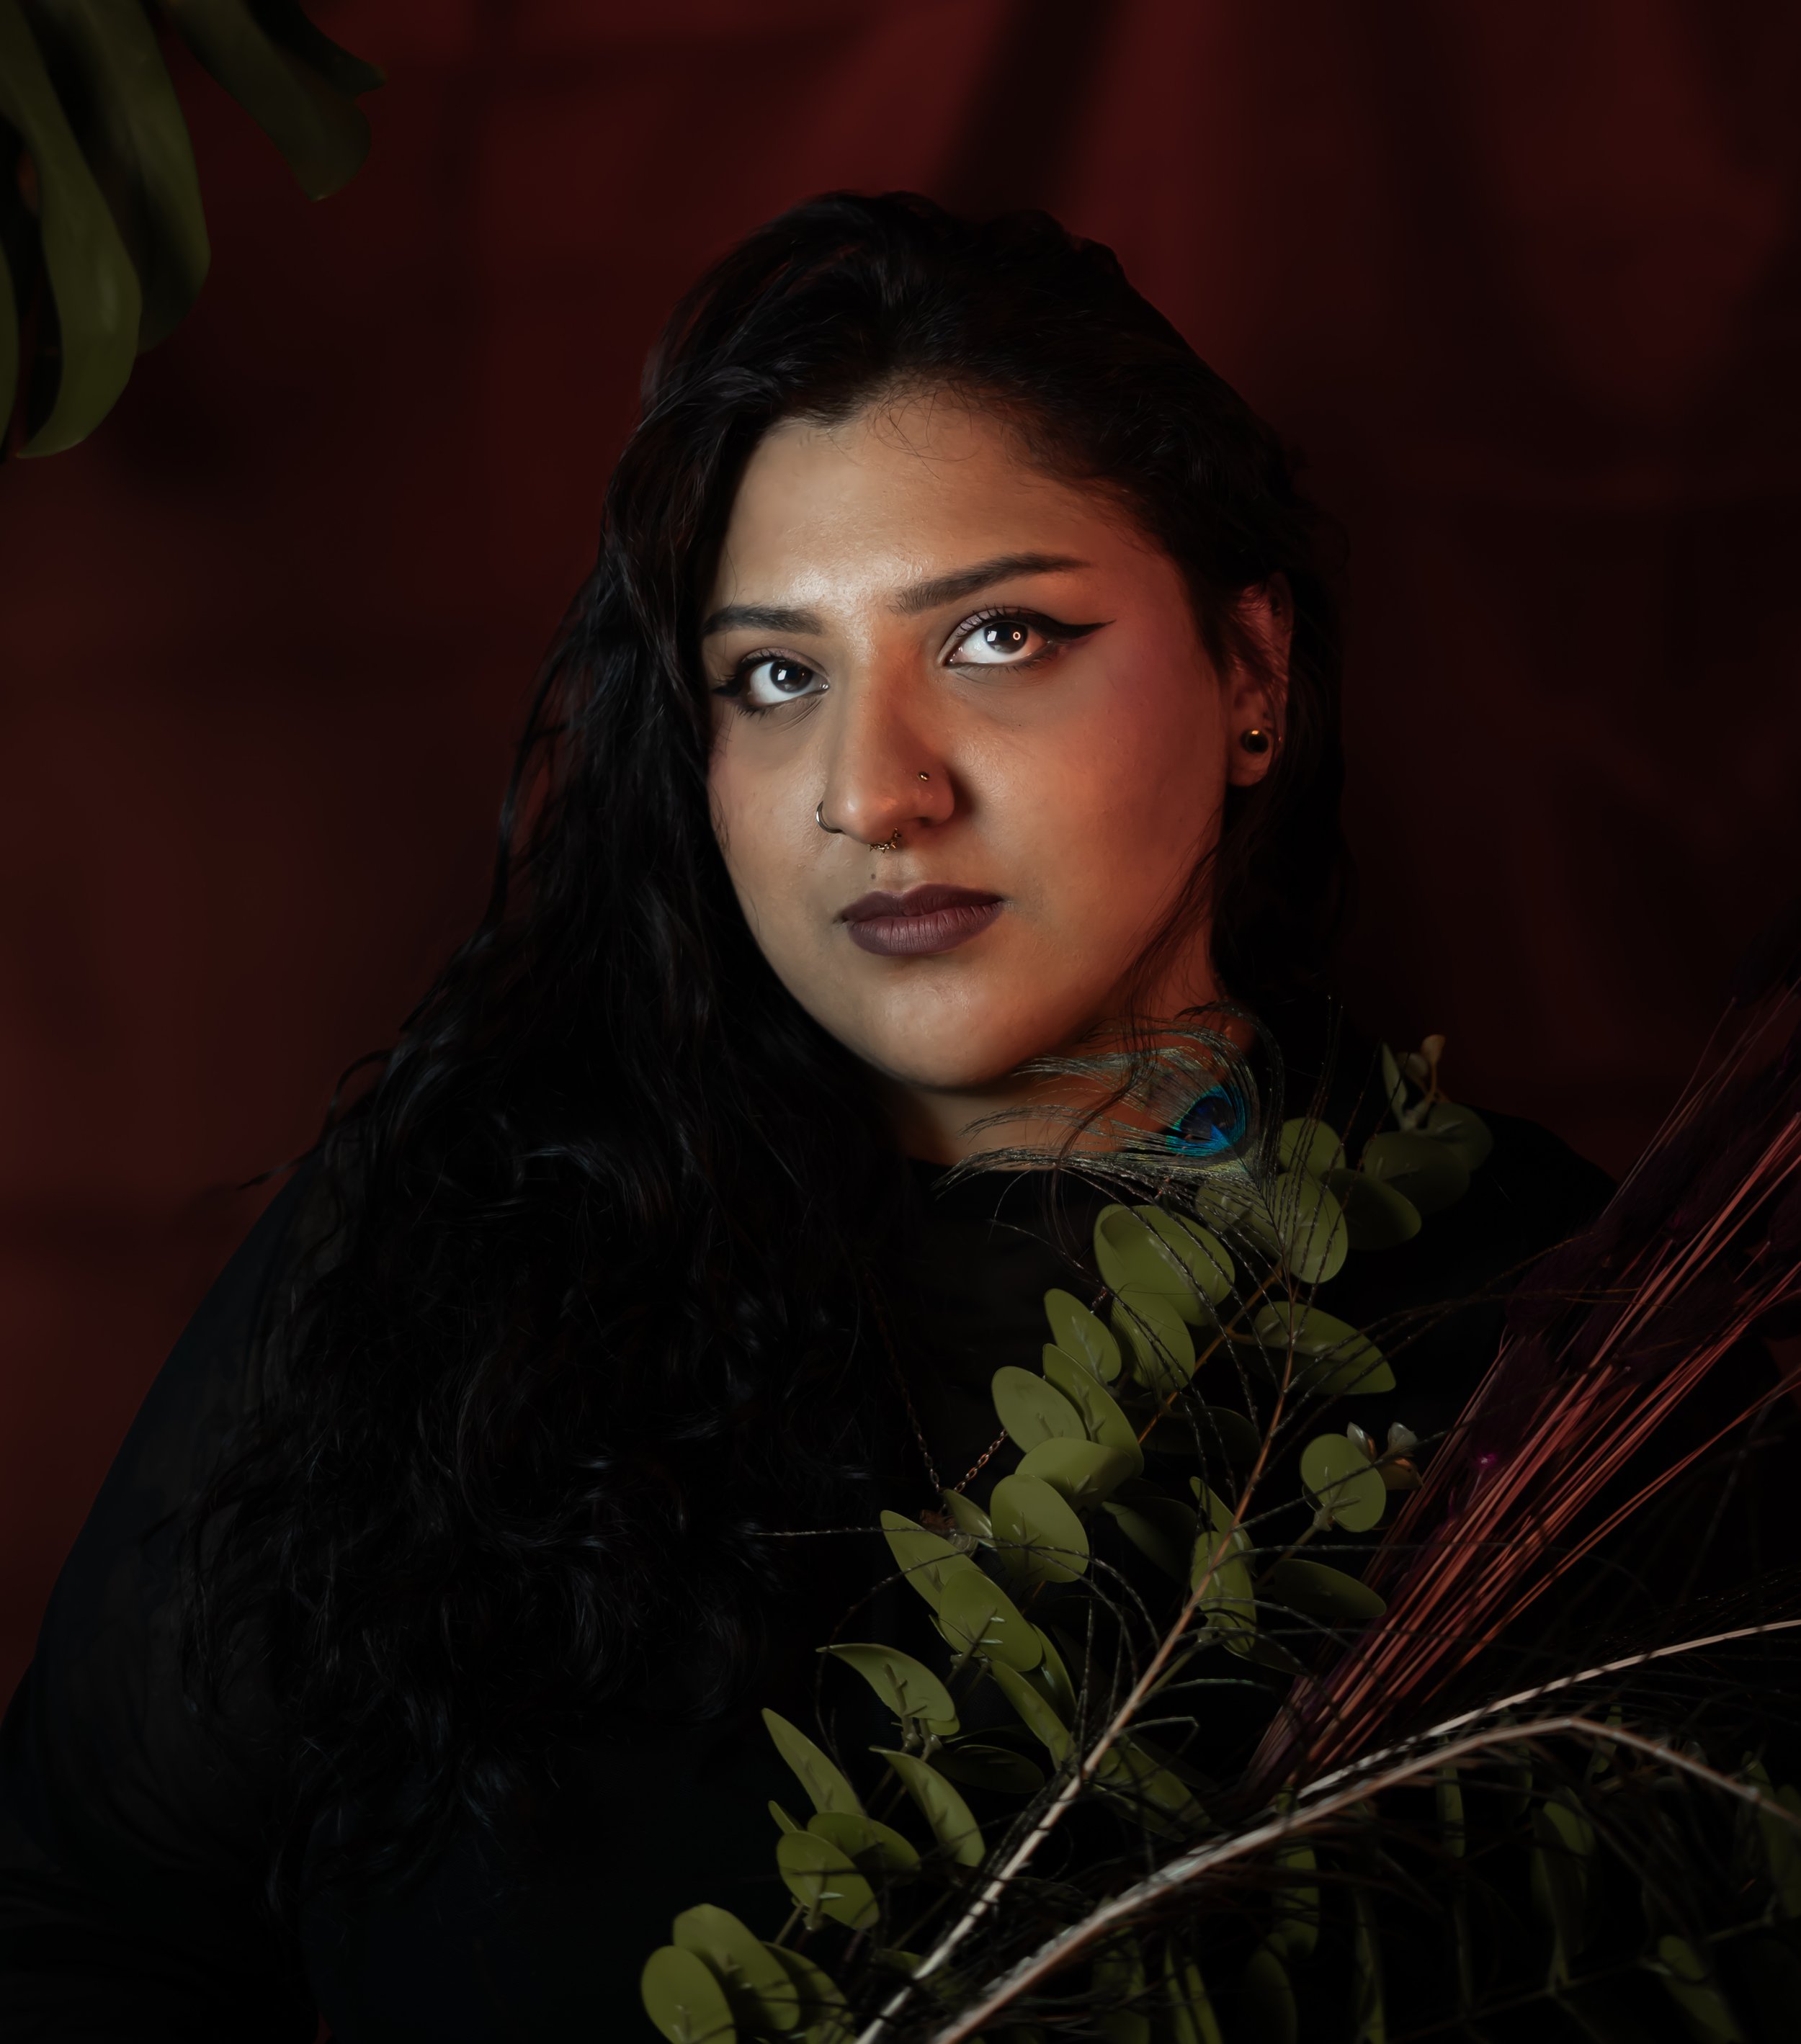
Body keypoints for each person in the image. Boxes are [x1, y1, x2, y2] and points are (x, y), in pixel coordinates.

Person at [0, 194, 1616, 2040]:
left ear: (1248, 676)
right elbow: (74, 1921)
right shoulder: (454, 1247)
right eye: (776, 676)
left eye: (1000, 638)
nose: (871, 792)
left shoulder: (1548, 1337)